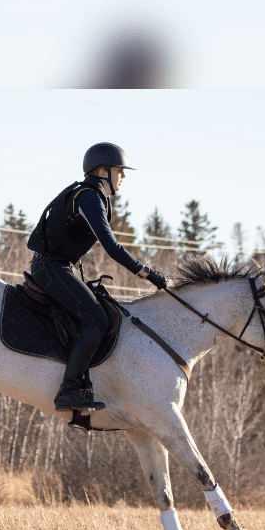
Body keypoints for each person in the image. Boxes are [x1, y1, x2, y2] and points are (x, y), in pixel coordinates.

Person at [27, 142, 168, 412]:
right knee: (97, 319)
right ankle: (68, 391)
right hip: (51, 267)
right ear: (103, 171)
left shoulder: (90, 195)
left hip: (59, 266)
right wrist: (146, 272)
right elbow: (112, 247)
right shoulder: (90, 197)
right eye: (120, 171)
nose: (124, 177)